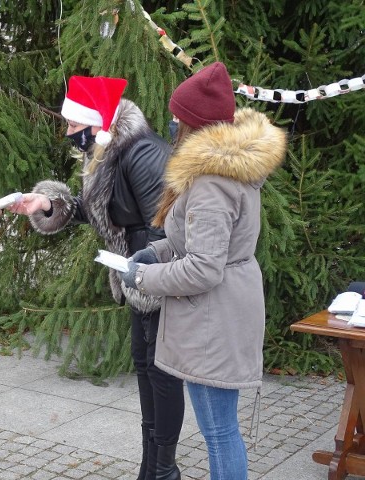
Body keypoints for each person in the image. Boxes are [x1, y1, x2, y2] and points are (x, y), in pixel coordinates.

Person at [10, 76, 184, 480]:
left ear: (96, 121)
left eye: (73, 126)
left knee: (161, 375)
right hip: (136, 277)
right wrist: (49, 203)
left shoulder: (142, 152)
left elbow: (163, 227)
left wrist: (144, 278)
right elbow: (102, 210)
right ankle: (150, 467)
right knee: (145, 368)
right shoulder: (105, 148)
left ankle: (163, 470)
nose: (68, 133)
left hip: (153, 280)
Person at [119, 62, 287, 480]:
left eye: (178, 119)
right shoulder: (218, 173)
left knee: (219, 431)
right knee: (221, 427)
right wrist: (154, 253)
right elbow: (195, 242)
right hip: (220, 310)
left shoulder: (212, 183)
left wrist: (142, 278)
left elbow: (203, 268)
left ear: (196, 125)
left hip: (215, 317)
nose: (172, 125)